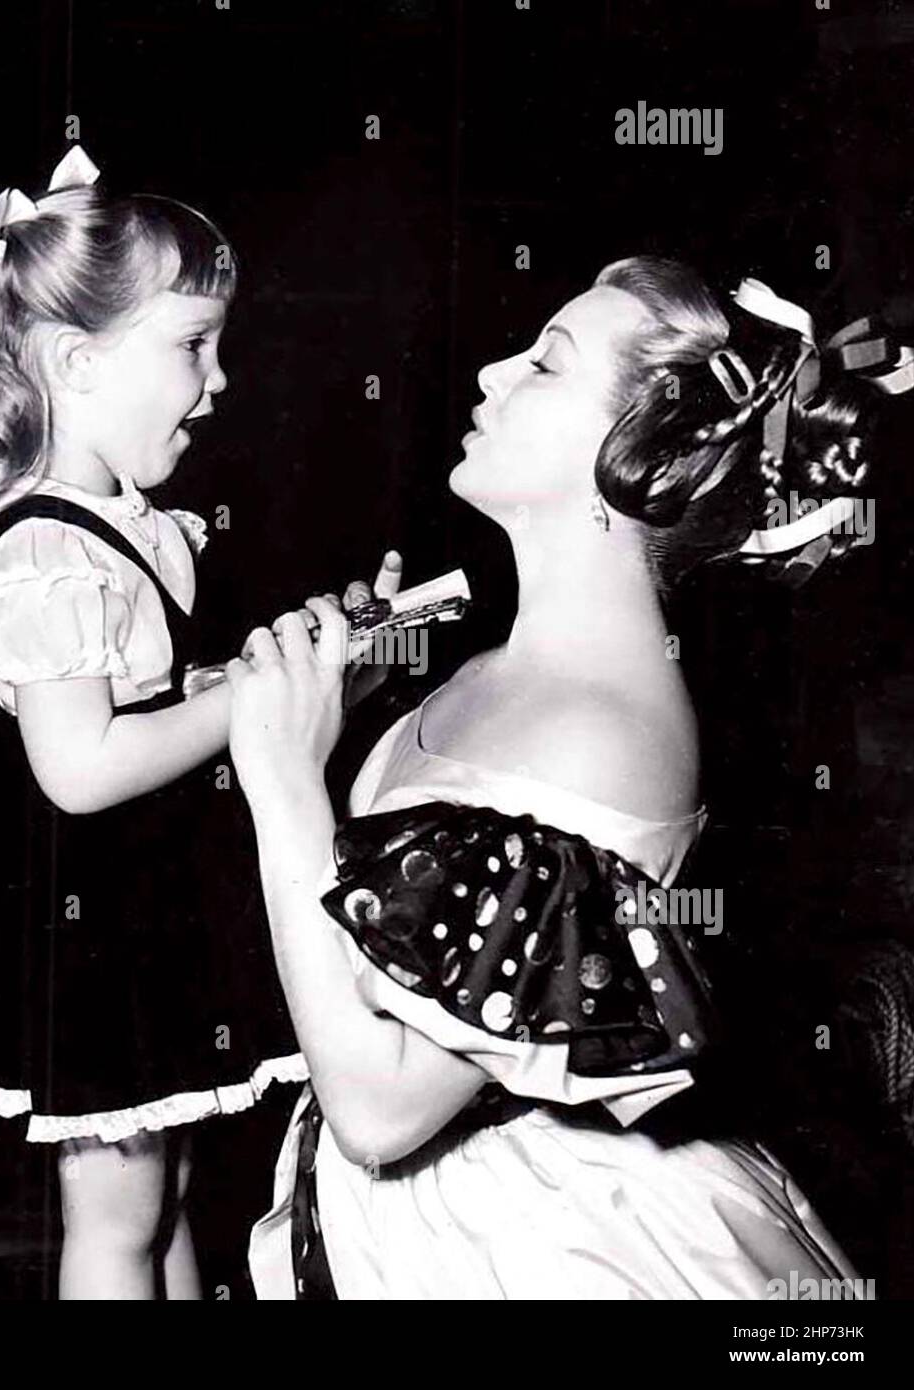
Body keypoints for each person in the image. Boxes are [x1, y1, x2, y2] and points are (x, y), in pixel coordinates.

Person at [226, 256, 913, 1298]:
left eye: (543, 364)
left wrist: (282, 780)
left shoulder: (606, 731)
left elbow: (381, 1109)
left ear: (642, 450)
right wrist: (337, 702)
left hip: (539, 1243)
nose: (492, 375)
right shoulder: (508, 665)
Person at [0, 144, 398, 1299]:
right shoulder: (46, 551)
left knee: (163, 1198)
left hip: (144, 929)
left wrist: (316, 664)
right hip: (96, 948)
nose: (219, 379)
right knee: (117, 1219)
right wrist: (250, 697)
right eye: (191, 346)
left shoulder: (116, 519)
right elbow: (80, 768)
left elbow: (158, 696)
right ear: (76, 365)